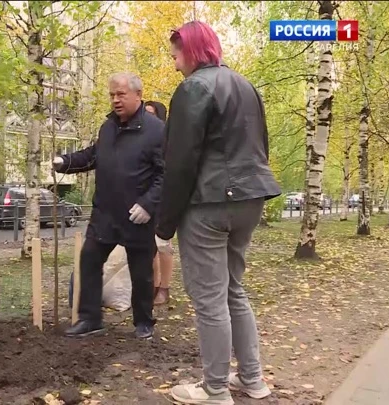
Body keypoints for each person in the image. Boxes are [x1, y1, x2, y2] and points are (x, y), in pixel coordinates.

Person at [154, 22, 281, 404]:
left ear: (192, 51)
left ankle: (215, 390)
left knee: (210, 299)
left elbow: (180, 163)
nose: (175, 64)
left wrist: (165, 226)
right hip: (250, 199)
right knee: (233, 291)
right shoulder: (247, 86)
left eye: (177, 55)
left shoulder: (194, 88)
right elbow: (262, 145)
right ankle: (253, 380)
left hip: (210, 204)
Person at [53, 72, 165, 340]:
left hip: (137, 215)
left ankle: (143, 322)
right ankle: (90, 319)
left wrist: (148, 204)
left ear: (138, 95)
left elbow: (167, 173)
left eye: (121, 94)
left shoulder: (157, 131)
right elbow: (94, 155)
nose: (115, 100)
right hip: (105, 211)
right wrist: (65, 161)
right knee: (89, 259)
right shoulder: (108, 127)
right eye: (112, 95)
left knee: (141, 272)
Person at [144, 101, 175, 306]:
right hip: (145, 197)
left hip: (164, 197)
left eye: (151, 114)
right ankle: (153, 286)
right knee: (148, 245)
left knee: (163, 244)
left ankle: (164, 288)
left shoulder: (167, 139)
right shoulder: (140, 137)